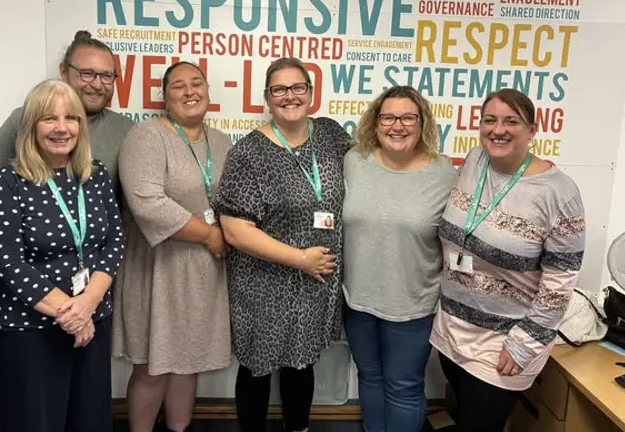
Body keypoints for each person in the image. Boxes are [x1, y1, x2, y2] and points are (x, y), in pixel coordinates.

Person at [430, 89, 586, 432]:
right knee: (464, 416)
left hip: (504, 341)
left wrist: (525, 343)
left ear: (532, 130)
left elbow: (560, 282)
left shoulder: (558, 193)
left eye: (511, 121)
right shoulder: (475, 161)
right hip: (451, 330)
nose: (498, 130)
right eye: (490, 120)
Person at [216, 57, 351, 432]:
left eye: (297, 87)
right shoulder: (248, 153)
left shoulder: (330, 135)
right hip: (264, 283)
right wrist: (300, 259)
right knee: (257, 367)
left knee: (301, 362)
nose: (289, 96)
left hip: (314, 282)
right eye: (279, 89)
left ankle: (298, 428)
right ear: (267, 97)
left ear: (311, 92)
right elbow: (235, 230)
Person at [0, 79, 125, 432]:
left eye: (71, 118)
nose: (62, 128)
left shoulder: (94, 174)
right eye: (49, 118)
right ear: (31, 126)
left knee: (90, 421)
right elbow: (7, 260)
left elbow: (114, 241)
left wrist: (87, 305)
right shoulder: (10, 180)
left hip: (92, 324)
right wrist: (71, 313)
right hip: (31, 330)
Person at [112, 61, 232, 432]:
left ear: (208, 91)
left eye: (197, 83)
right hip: (158, 267)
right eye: (179, 86)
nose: (190, 91)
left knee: (188, 360)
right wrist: (210, 235)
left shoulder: (222, 141)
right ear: (165, 96)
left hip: (204, 271)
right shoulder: (147, 136)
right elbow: (147, 202)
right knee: (154, 365)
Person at [342, 86, 457, 432]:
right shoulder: (354, 162)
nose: (397, 126)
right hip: (358, 300)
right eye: (388, 117)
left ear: (422, 123)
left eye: (408, 117)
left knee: (403, 388)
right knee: (369, 377)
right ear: (375, 122)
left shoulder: (444, 173)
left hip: (413, 305)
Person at [0, 30, 135, 201]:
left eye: (106, 76)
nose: (97, 85)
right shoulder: (23, 119)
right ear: (64, 71)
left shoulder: (127, 130)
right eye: (87, 74)